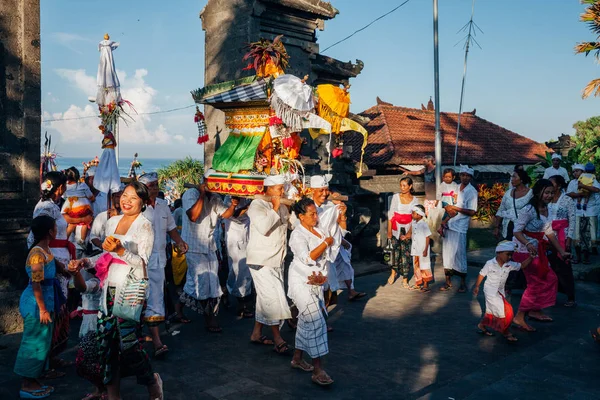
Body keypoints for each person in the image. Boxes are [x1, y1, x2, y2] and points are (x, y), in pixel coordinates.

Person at [76, 182, 163, 400]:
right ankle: (114, 395)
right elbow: (107, 257)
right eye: (125, 195)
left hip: (131, 291)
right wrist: (85, 262)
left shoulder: (145, 226)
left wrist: (121, 249)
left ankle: (153, 381)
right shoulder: (112, 222)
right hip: (108, 291)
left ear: (143, 203)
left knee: (131, 345)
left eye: (133, 198)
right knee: (106, 344)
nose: (126, 200)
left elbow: (143, 263)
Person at [29, 171, 79, 375]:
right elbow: (37, 237)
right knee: (55, 310)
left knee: (60, 309)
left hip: (58, 256)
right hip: (53, 260)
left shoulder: (49, 206)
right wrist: (55, 263)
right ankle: (45, 361)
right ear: (60, 188)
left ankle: (52, 357)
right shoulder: (46, 208)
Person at [138, 172, 189, 357]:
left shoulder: (163, 206)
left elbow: (171, 228)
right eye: (152, 185)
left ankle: (156, 339)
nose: (156, 188)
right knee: (143, 299)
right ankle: (152, 339)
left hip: (160, 260)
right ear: (143, 188)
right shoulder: (137, 208)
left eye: (156, 184)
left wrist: (179, 242)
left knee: (155, 298)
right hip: (140, 261)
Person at [180, 172, 237, 333]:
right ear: (204, 181)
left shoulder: (215, 197)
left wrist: (233, 204)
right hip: (192, 246)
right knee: (204, 283)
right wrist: (202, 194)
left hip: (210, 246)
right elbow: (193, 216)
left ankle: (178, 307)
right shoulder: (190, 194)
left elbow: (226, 214)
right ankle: (209, 318)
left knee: (208, 283)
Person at [288, 197, 334, 386]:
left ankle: (297, 358)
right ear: (301, 216)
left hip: (317, 282)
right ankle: (318, 369)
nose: (316, 216)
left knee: (307, 321)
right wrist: (326, 243)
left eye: (316, 213)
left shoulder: (319, 230)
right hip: (300, 282)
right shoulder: (297, 235)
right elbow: (307, 258)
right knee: (316, 321)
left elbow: (328, 254)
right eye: (312, 214)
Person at [512, 179, 568, 332]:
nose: (550, 195)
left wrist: (562, 251)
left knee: (550, 278)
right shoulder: (529, 209)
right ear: (538, 192)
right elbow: (516, 231)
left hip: (538, 250)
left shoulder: (547, 209)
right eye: (547, 192)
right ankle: (519, 316)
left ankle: (534, 310)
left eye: (552, 192)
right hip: (524, 252)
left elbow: (548, 233)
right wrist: (528, 244)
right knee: (536, 283)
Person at [14, 216, 60, 399]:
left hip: (46, 300)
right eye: (56, 227)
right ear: (50, 231)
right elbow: (36, 284)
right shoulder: (36, 254)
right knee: (34, 342)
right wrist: (42, 309)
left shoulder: (45, 250)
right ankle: (27, 383)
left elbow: (53, 267)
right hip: (36, 303)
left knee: (42, 341)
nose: (57, 230)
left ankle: (34, 378)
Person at [247, 175, 292, 354]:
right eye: (280, 188)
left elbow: (291, 226)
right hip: (261, 260)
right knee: (273, 298)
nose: (283, 191)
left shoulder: (282, 206)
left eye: (283, 188)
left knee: (264, 298)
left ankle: (256, 333)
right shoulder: (256, 205)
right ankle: (277, 338)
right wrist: (274, 207)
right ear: (269, 189)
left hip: (277, 259)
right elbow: (264, 227)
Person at [310, 176, 365, 302]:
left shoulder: (331, 204)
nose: (325, 194)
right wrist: (325, 242)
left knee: (343, 266)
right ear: (311, 190)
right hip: (316, 249)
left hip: (332, 246)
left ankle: (350, 291)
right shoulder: (307, 207)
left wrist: (343, 214)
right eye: (321, 190)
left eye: (326, 190)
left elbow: (340, 228)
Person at [473, 241, 533, 342]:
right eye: (507, 254)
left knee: (492, 311)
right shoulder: (490, 263)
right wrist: (477, 286)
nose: (509, 257)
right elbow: (482, 274)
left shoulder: (510, 264)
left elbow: (522, 265)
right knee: (506, 311)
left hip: (500, 291)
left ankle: (482, 325)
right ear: (499, 253)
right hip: (490, 291)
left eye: (511, 255)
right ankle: (506, 332)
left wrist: (531, 257)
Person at [68, 260, 105, 400]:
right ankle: (99, 389)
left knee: (91, 360)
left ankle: (103, 389)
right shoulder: (97, 281)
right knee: (93, 359)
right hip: (88, 322)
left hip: (94, 324)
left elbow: (83, 288)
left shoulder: (97, 283)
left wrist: (76, 274)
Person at [440, 165, 478, 293]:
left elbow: (472, 212)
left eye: (467, 176)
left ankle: (462, 283)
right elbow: (446, 200)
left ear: (470, 177)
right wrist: (447, 208)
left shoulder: (472, 191)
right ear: (460, 176)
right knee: (447, 253)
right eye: (463, 175)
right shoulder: (455, 187)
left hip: (460, 227)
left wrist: (455, 208)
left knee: (459, 254)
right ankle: (448, 282)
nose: (465, 177)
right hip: (449, 223)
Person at [548, 175, 577, 307]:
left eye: (552, 183)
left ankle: (570, 296)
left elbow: (572, 220)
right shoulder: (547, 199)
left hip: (562, 236)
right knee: (550, 266)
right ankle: (551, 294)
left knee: (564, 267)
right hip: (548, 236)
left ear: (558, 185)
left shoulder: (567, 200)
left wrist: (569, 240)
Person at [223, 196, 254, 318]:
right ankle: (242, 304)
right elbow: (233, 215)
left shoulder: (247, 197)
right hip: (235, 239)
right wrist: (249, 206)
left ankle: (226, 290)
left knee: (245, 271)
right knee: (240, 271)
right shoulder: (228, 199)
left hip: (248, 238)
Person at [387, 176, 420, 287]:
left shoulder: (415, 200)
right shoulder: (396, 197)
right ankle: (393, 273)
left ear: (410, 186)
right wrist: (389, 231)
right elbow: (391, 214)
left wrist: (409, 233)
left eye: (404, 185)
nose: (402, 187)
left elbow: (414, 218)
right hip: (396, 227)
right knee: (395, 252)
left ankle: (405, 278)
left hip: (408, 227)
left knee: (406, 254)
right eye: (401, 185)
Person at [494, 169, 533, 241]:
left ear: (521, 180)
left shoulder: (531, 194)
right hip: (508, 226)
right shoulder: (508, 193)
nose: (512, 179)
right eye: (511, 177)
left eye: (514, 177)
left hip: (523, 228)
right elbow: (501, 210)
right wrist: (497, 227)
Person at [62, 166, 95, 244]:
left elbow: (63, 196)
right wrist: (92, 199)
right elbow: (90, 195)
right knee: (85, 223)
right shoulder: (82, 185)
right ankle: (82, 240)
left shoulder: (66, 187)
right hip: (83, 206)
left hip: (70, 206)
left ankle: (64, 240)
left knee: (71, 224)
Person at [576, 165, 600, 263]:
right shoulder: (581, 178)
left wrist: (583, 186)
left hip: (590, 210)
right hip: (580, 211)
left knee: (591, 232)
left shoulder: (594, 180)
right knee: (580, 233)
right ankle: (582, 253)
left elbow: (597, 189)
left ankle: (589, 251)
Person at [90, 188, 123, 252]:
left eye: (121, 197)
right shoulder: (101, 216)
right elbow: (93, 237)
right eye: (117, 197)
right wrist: (103, 246)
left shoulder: (126, 217)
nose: (119, 199)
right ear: (112, 198)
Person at [409, 205, 433, 292]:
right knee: (416, 266)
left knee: (424, 266)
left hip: (422, 250)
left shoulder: (423, 224)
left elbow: (428, 237)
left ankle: (426, 285)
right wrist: (405, 237)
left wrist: (426, 249)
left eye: (414, 213)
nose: (412, 214)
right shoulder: (413, 223)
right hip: (415, 250)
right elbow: (411, 234)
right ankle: (418, 283)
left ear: (419, 215)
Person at [566, 164, 585, 263]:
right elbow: (568, 193)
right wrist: (578, 194)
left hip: (587, 211)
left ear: (583, 172)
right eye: (574, 171)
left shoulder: (588, 181)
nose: (575, 173)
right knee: (575, 235)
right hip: (575, 211)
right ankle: (578, 257)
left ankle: (586, 258)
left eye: (577, 171)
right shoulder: (572, 183)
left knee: (585, 236)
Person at [437, 168, 459, 237]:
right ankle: (443, 223)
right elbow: (438, 193)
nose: (447, 179)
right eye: (445, 177)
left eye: (449, 177)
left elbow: (456, 193)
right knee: (450, 211)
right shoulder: (442, 184)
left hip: (451, 200)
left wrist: (455, 199)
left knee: (453, 212)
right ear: (443, 177)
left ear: (453, 177)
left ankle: (441, 227)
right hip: (445, 200)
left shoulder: (455, 184)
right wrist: (437, 202)